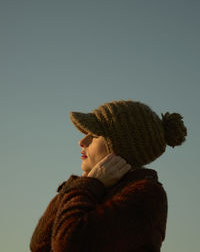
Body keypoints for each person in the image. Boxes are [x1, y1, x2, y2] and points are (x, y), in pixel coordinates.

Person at [30, 99, 187, 252]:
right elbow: (38, 246)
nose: (82, 141)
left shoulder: (147, 194)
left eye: (94, 134)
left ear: (121, 146)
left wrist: (87, 185)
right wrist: (81, 184)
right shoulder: (100, 187)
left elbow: (68, 245)